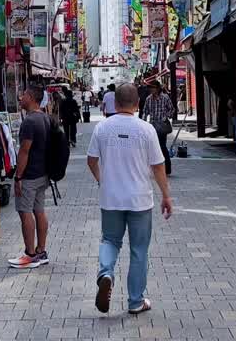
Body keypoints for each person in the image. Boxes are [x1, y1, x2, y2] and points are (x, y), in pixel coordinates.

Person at [87, 83, 172, 315]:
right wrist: (166, 195)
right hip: (139, 200)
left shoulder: (102, 128)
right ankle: (135, 301)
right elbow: (158, 165)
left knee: (110, 240)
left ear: (114, 103)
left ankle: (105, 273)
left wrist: (101, 180)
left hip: (111, 198)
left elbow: (91, 160)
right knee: (139, 250)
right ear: (137, 104)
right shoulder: (146, 130)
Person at [9, 85, 53, 269]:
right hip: (43, 173)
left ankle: (30, 254)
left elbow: (24, 152)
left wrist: (18, 177)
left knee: (25, 211)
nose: (21, 98)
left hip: (29, 175)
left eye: (24, 95)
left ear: (33, 98)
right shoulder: (45, 118)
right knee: (39, 211)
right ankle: (41, 251)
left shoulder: (29, 122)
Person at [141, 80, 176, 175]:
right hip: (152, 126)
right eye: (150, 88)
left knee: (162, 147)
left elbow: (172, 110)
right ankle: (155, 169)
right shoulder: (149, 99)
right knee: (151, 147)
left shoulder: (165, 97)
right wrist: (143, 123)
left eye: (152, 87)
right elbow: (145, 111)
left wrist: (166, 116)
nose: (151, 89)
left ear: (157, 88)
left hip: (162, 126)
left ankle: (167, 169)